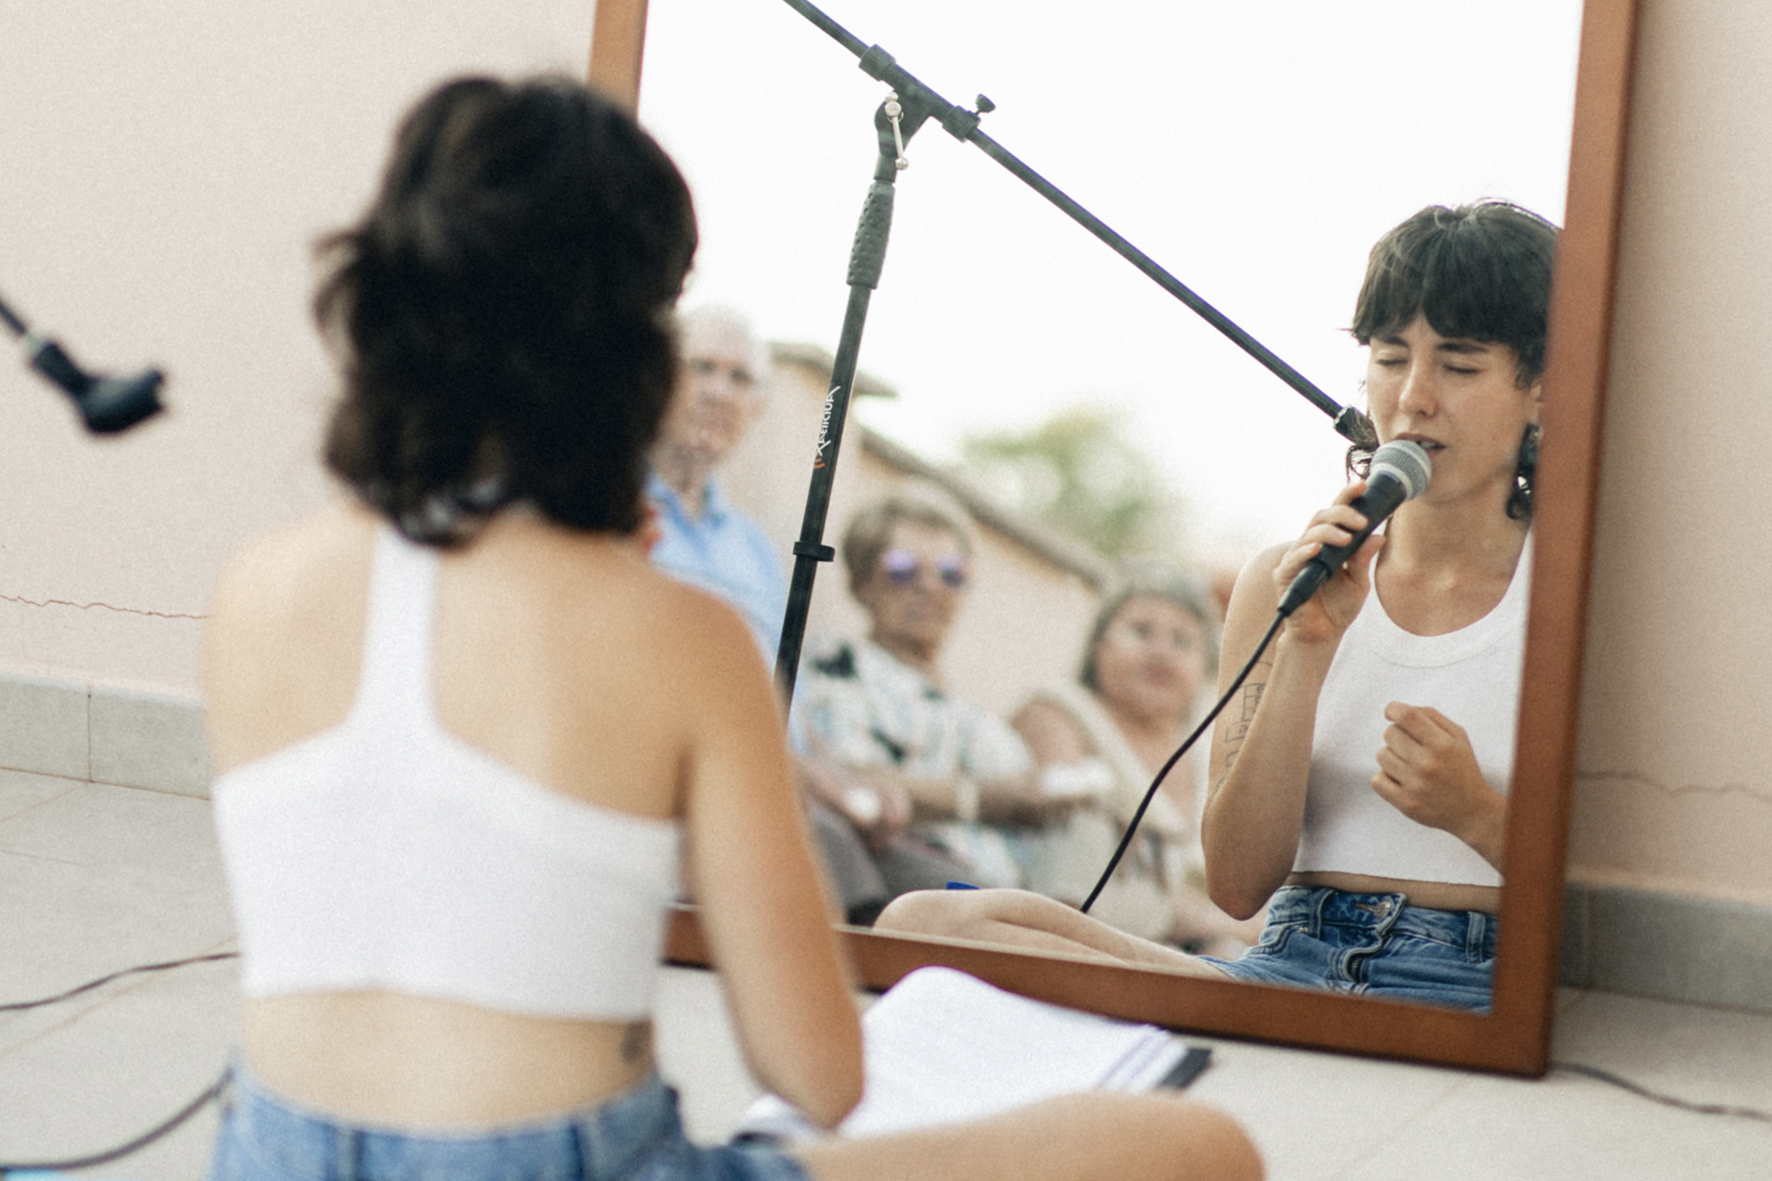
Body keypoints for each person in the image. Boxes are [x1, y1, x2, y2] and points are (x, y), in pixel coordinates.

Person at [202, 75, 1259, 1181]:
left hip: (269, 1151)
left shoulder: (254, 587)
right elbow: (819, 1075)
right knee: (1194, 1145)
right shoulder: (683, 635)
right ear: (625, 348)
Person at [880, 200, 1553, 1012]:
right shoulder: (1288, 578)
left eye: (1460, 364)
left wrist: (1477, 813)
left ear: (1542, 389)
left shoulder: (1569, 599)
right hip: (1286, 961)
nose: (1413, 397)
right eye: (1389, 357)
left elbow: (1622, 924)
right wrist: (1305, 644)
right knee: (926, 921)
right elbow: (1237, 883)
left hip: (1470, 976)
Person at [793, 493, 1064, 916]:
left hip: (1001, 900)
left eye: (951, 573)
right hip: (910, 898)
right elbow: (847, 780)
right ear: (861, 583)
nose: (930, 587)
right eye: (903, 569)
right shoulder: (838, 667)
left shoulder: (975, 719)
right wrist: (980, 798)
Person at [1011, 578, 1263, 956]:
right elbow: (1064, 801)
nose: (1161, 652)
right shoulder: (1062, 710)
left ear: (1207, 667)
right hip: (1088, 939)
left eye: (1182, 641)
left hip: (1204, 945)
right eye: (1140, 631)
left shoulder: (1217, 751)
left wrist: (1212, 924)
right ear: (1099, 645)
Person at [648, 304, 787, 658]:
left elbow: (786, 699)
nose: (719, 393)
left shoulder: (757, 554)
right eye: (702, 367)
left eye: (740, 378)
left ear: (757, 406)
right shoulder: (605, 510)